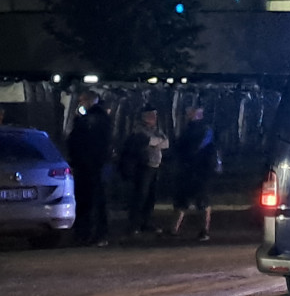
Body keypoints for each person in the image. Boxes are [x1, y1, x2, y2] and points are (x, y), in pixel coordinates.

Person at [67, 90, 113, 247]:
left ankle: (87, 234)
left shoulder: (88, 120)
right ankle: (98, 234)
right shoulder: (103, 119)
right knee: (97, 202)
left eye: (82, 101)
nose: (80, 104)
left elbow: (76, 141)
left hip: (88, 166)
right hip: (97, 166)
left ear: (88, 101)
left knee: (88, 201)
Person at [172, 105, 218, 241]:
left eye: (191, 112)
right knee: (183, 199)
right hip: (190, 169)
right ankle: (174, 229)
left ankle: (204, 230)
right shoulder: (191, 129)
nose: (188, 114)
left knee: (202, 200)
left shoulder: (204, 131)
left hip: (200, 170)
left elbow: (193, 149)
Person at [123, 106, 170, 236]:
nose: (154, 118)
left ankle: (146, 222)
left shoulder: (156, 130)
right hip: (143, 167)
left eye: (155, 115)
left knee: (151, 196)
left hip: (155, 167)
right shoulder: (139, 130)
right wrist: (155, 142)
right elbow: (148, 141)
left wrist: (155, 142)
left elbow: (166, 143)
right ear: (145, 117)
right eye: (151, 115)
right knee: (140, 196)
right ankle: (134, 224)